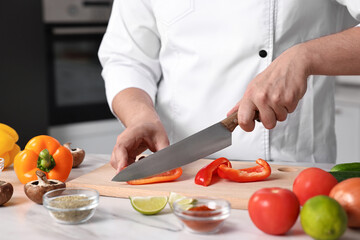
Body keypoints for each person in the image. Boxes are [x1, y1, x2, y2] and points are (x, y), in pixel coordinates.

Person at [98, 0, 360, 173]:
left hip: (292, 172)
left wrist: (306, 56)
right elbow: (126, 58)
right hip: (181, 170)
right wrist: (140, 117)